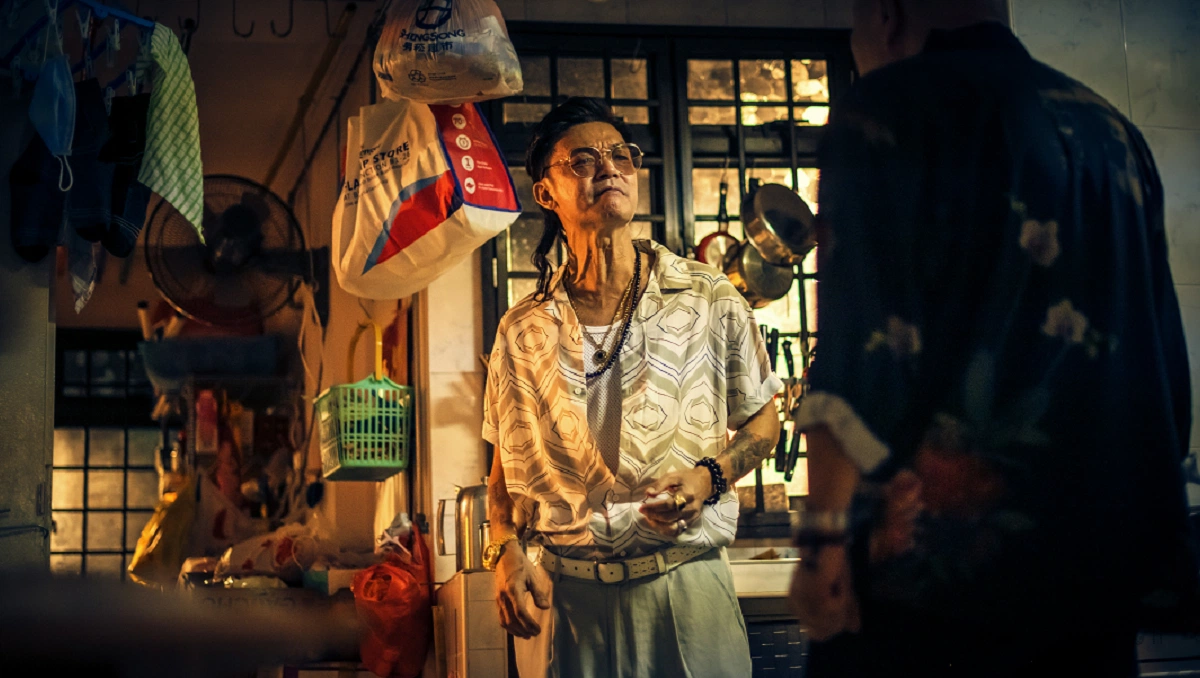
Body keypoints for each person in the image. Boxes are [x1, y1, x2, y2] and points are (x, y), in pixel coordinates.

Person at [790, 0, 1200, 676]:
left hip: (931, 581)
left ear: (885, 16)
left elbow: (860, 349)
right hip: (1093, 576)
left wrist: (824, 538)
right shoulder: (1110, 129)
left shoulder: (889, 107)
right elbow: (1159, 358)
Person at [481, 97, 783, 678]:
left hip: (686, 587)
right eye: (584, 160)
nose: (610, 168)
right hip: (570, 602)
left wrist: (708, 476)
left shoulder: (709, 297)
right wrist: (503, 550)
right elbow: (502, 478)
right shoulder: (522, 329)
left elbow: (763, 420)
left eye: (621, 155)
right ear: (545, 193)